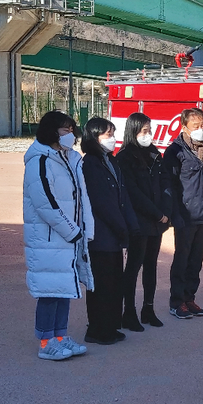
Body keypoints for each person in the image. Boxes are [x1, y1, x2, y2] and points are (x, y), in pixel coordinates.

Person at [23, 111, 93, 361]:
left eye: (72, 129)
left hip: (67, 238)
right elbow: (45, 204)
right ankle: (46, 341)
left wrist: (86, 229)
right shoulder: (39, 161)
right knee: (50, 291)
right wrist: (72, 230)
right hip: (49, 239)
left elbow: (81, 199)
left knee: (65, 288)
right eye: (66, 130)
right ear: (52, 131)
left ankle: (60, 336)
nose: (71, 135)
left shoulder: (70, 159)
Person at [81, 117, 139, 345]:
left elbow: (123, 197)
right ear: (94, 137)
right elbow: (102, 203)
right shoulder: (91, 164)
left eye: (113, 133)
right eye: (107, 134)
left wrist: (130, 227)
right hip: (101, 236)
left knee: (114, 283)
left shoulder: (110, 162)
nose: (112, 139)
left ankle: (111, 326)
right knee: (101, 285)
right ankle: (97, 329)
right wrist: (122, 228)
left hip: (114, 236)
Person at [116, 113, 171, 330]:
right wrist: (157, 213)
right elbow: (133, 193)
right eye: (144, 131)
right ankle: (128, 312)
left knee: (151, 267)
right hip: (139, 223)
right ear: (133, 131)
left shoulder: (155, 154)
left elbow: (166, 183)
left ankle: (148, 309)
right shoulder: (124, 157)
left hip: (157, 223)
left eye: (150, 130)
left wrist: (166, 211)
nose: (148, 134)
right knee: (133, 267)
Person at [163, 108, 203, 319]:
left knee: (196, 260)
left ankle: (189, 298)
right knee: (182, 260)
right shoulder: (174, 152)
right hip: (185, 216)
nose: (201, 130)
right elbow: (170, 185)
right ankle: (176, 302)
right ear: (184, 127)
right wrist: (175, 213)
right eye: (196, 126)